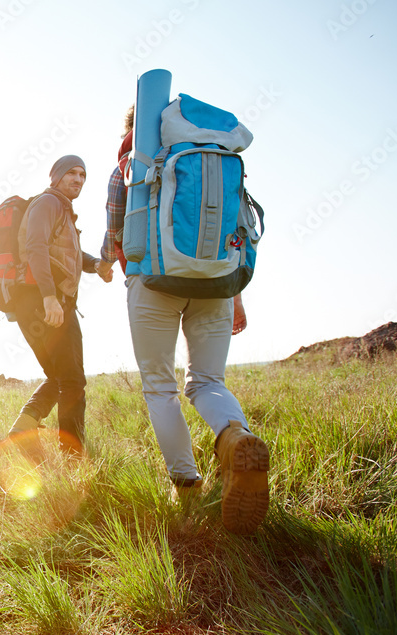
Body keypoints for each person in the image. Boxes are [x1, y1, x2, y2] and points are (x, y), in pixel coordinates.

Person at [97, 107, 269, 534]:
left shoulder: (131, 161)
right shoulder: (213, 155)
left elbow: (115, 229)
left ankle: (187, 486)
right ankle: (233, 437)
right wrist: (236, 295)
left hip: (153, 281)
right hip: (216, 283)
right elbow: (233, 229)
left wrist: (104, 261)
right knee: (208, 382)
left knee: (160, 387)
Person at [6, 155, 112, 460]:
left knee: (58, 377)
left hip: (35, 302)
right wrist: (49, 297)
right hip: (45, 301)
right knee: (72, 381)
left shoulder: (61, 210)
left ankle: (22, 429)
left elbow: (72, 256)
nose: (78, 179)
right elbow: (35, 247)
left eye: (83, 175)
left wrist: (97, 265)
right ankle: (73, 459)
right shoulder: (49, 203)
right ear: (56, 176)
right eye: (71, 173)